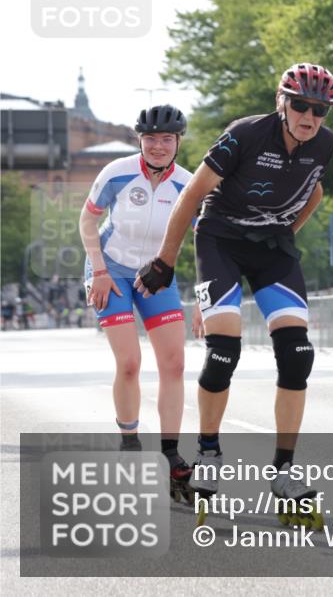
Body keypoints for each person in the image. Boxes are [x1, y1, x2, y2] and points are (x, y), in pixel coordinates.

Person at [134, 63, 333, 519]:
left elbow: (315, 191)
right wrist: (166, 261)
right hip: (221, 240)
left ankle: (284, 470)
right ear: (281, 103)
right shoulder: (246, 134)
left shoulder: (324, 143)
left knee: (298, 352)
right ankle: (208, 451)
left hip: (271, 246)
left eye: (319, 108)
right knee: (224, 350)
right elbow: (192, 196)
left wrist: (288, 231)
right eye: (301, 104)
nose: (309, 115)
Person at [78, 104, 197, 498]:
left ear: (178, 141)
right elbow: (87, 219)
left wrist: (205, 298)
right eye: (150, 139)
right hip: (110, 270)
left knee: (175, 364)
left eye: (166, 139)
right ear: (139, 140)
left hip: (155, 274)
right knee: (129, 363)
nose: (158, 146)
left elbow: (206, 243)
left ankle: (170, 453)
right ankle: (129, 441)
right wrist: (98, 269)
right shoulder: (117, 172)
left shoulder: (189, 184)